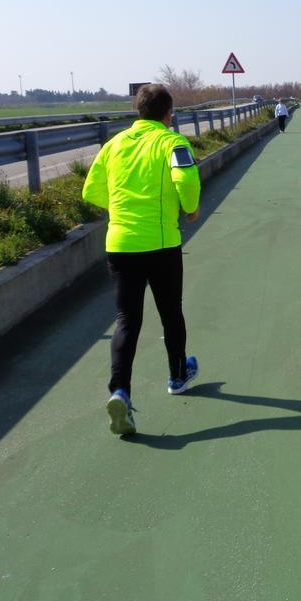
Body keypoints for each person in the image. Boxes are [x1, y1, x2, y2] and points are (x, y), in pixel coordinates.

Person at [82, 83, 201, 436]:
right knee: (170, 311)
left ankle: (120, 391)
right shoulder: (172, 142)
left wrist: (121, 210)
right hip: (161, 244)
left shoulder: (114, 144)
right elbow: (186, 177)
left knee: (126, 320)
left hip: (120, 245)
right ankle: (178, 376)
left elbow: (91, 189)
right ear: (169, 114)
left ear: (138, 110)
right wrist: (190, 209)